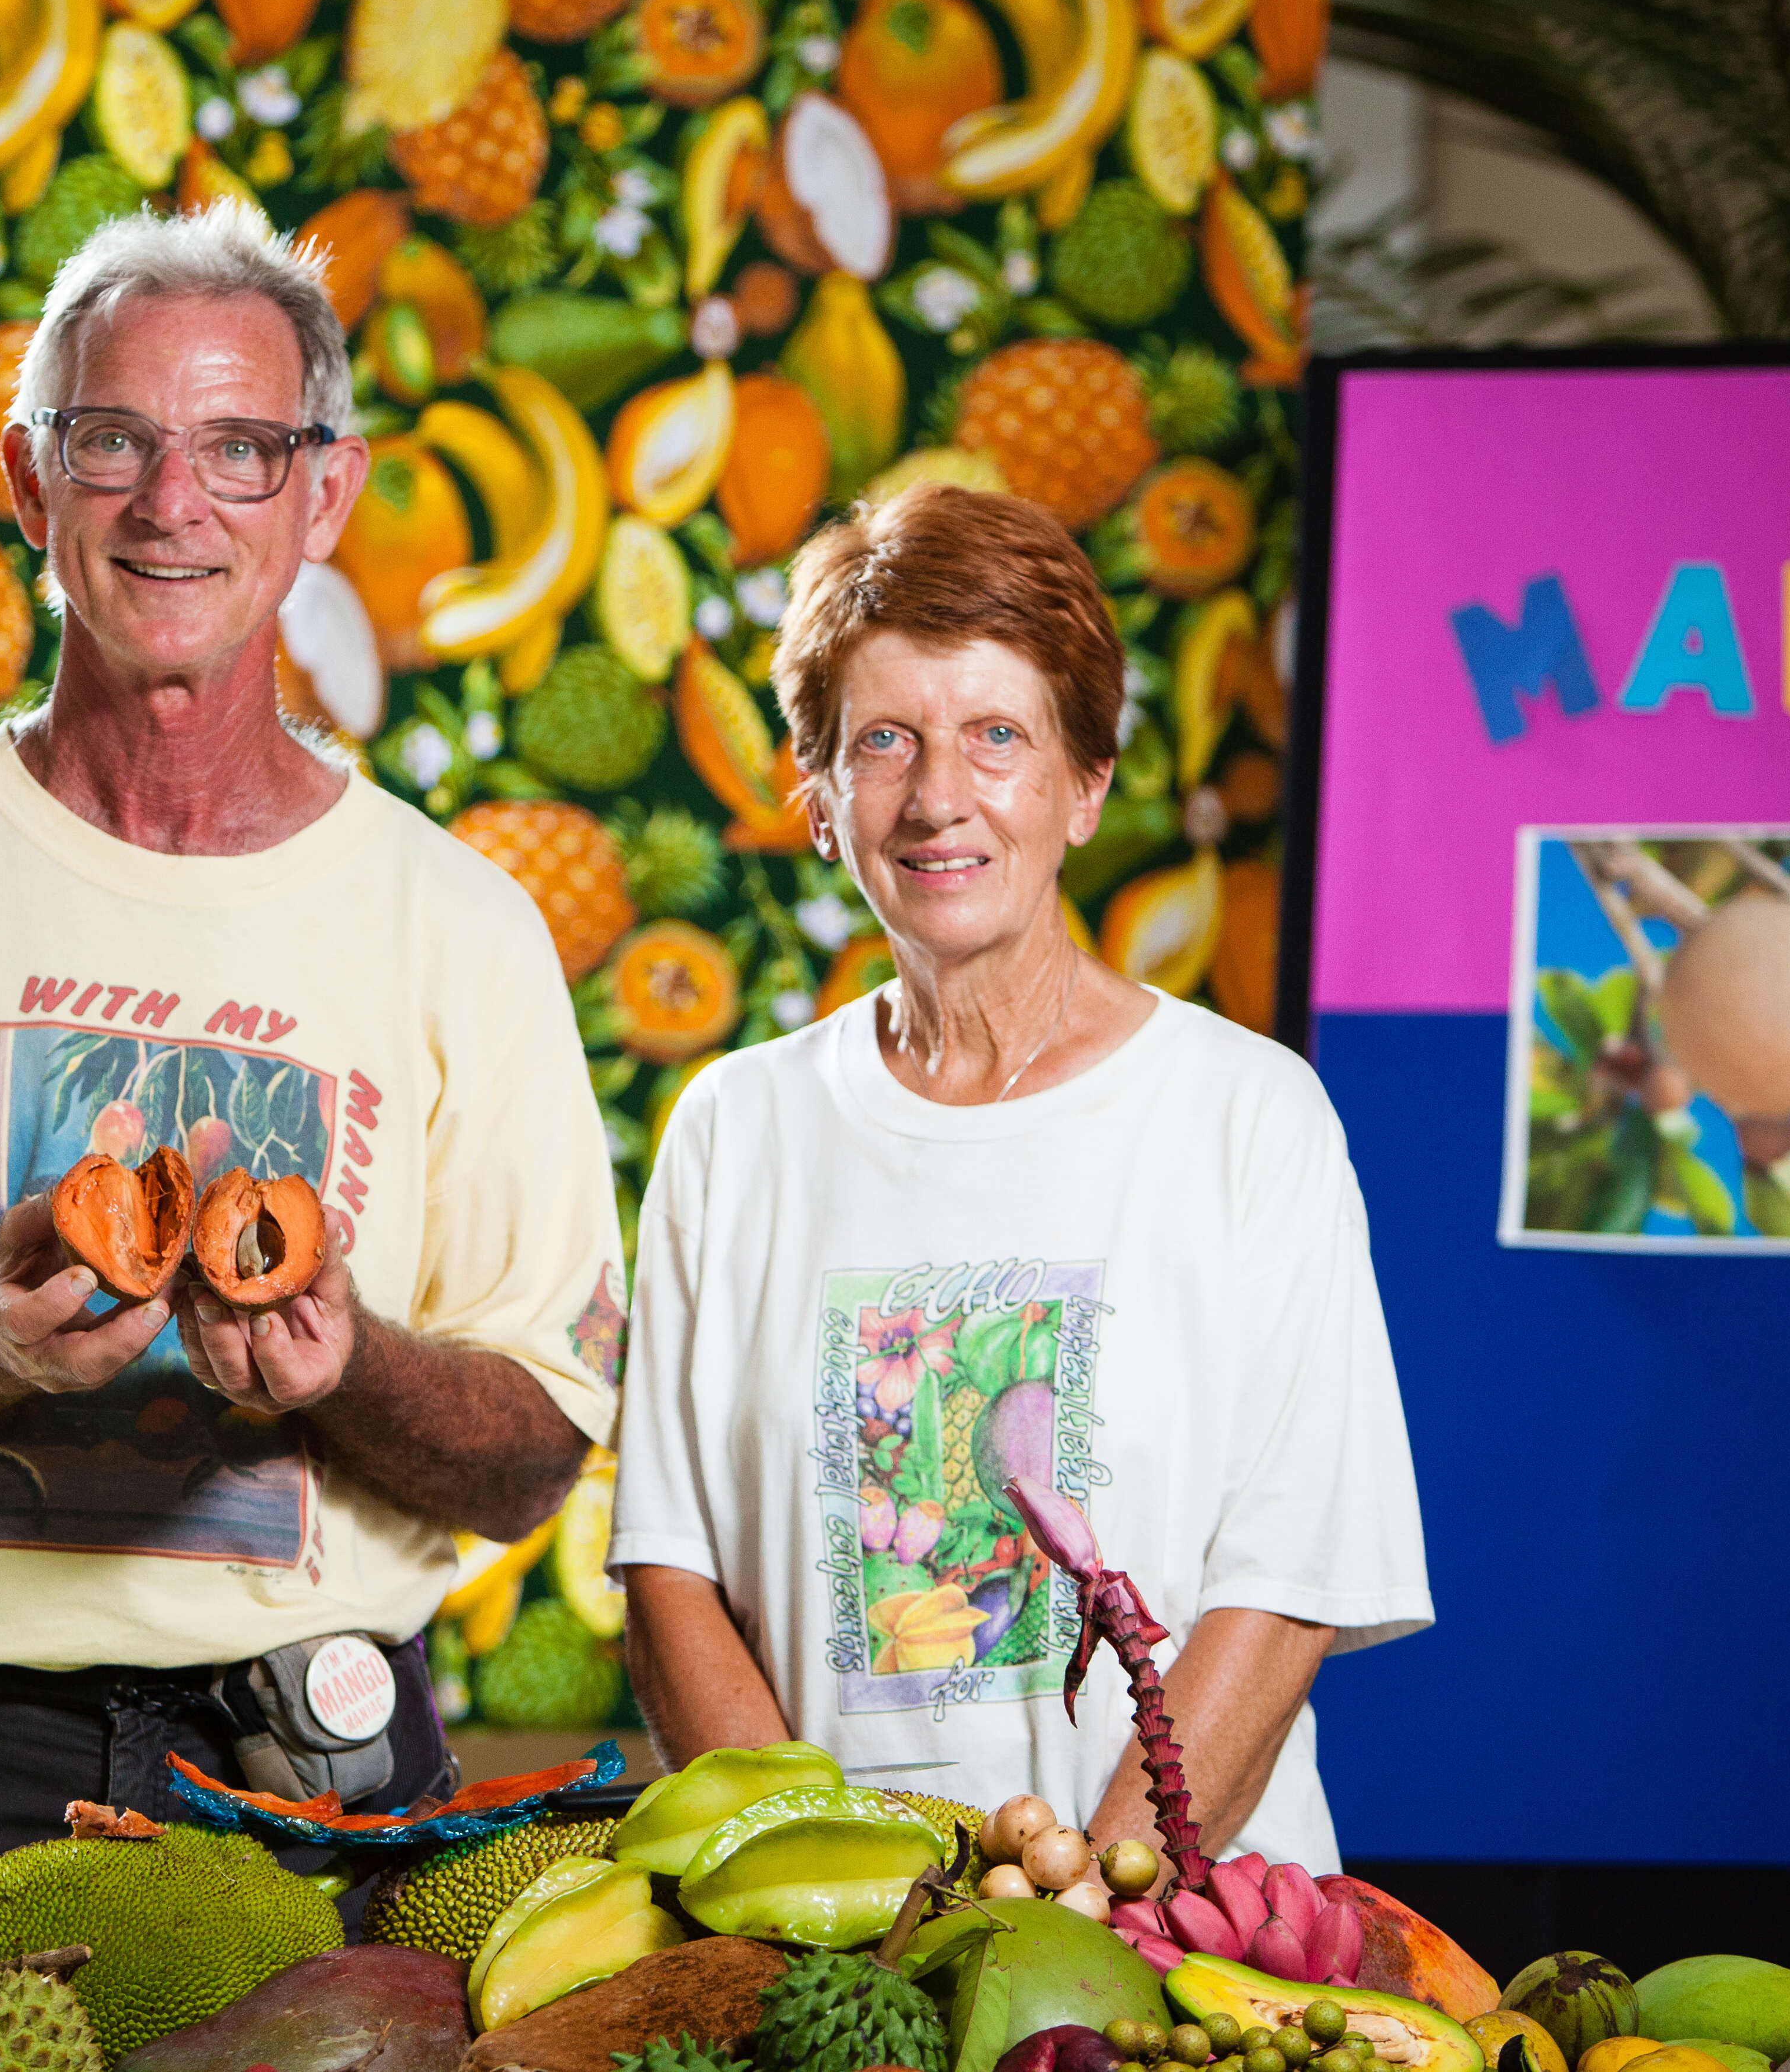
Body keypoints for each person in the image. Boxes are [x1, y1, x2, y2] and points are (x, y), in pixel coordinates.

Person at [0, 201, 626, 1863]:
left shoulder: (467, 930)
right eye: (115, 441)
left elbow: (528, 1469)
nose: (172, 503)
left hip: (320, 1768)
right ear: (27, 481)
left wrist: (344, 1362)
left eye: (238, 448)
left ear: (326, 495)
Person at [606, 482, 1429, 1874]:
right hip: (838, 1964)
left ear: (1084, 783)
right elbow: (670, 1578)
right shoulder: (732, 1128)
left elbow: (1287, 1588)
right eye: (883, 742)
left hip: (1181, 1950)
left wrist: (1081, 1908)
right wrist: (838, 1902)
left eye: (997, 735)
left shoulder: (1248, 1118)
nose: (938, 796)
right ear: (817, 798)